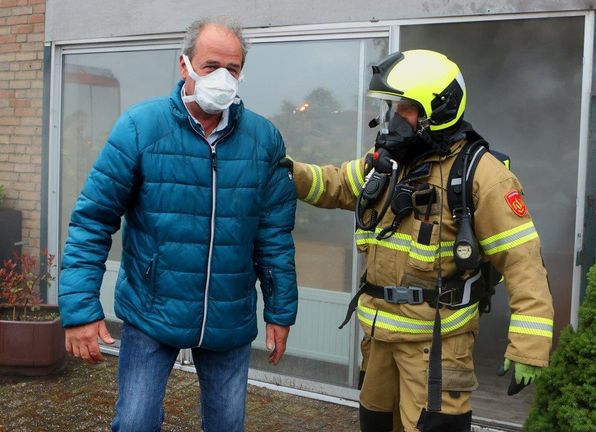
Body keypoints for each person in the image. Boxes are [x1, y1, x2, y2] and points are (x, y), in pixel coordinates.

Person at [282, 49, 554, 431]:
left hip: (437, 348)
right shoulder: (389, 162)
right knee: (376, 424)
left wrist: (530, 345)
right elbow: (336, 185)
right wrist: (285, 171)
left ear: (437, 110)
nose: (395, 118)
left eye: (406, 108)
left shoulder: (482, 175)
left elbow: (524, 262)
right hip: (378, 339)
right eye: (394, 107)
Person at [58, 16, 298, 432]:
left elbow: (273, 234)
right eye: (211, 66)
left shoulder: (263, 139)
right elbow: (92, 220)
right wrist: (80, 309)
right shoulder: (140, 127)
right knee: (135, 423)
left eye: (233, 69)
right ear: (184, 65)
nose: (223, 77)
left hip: (228, 313)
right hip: (152, 309)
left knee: (226, 425)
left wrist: (280, 311)